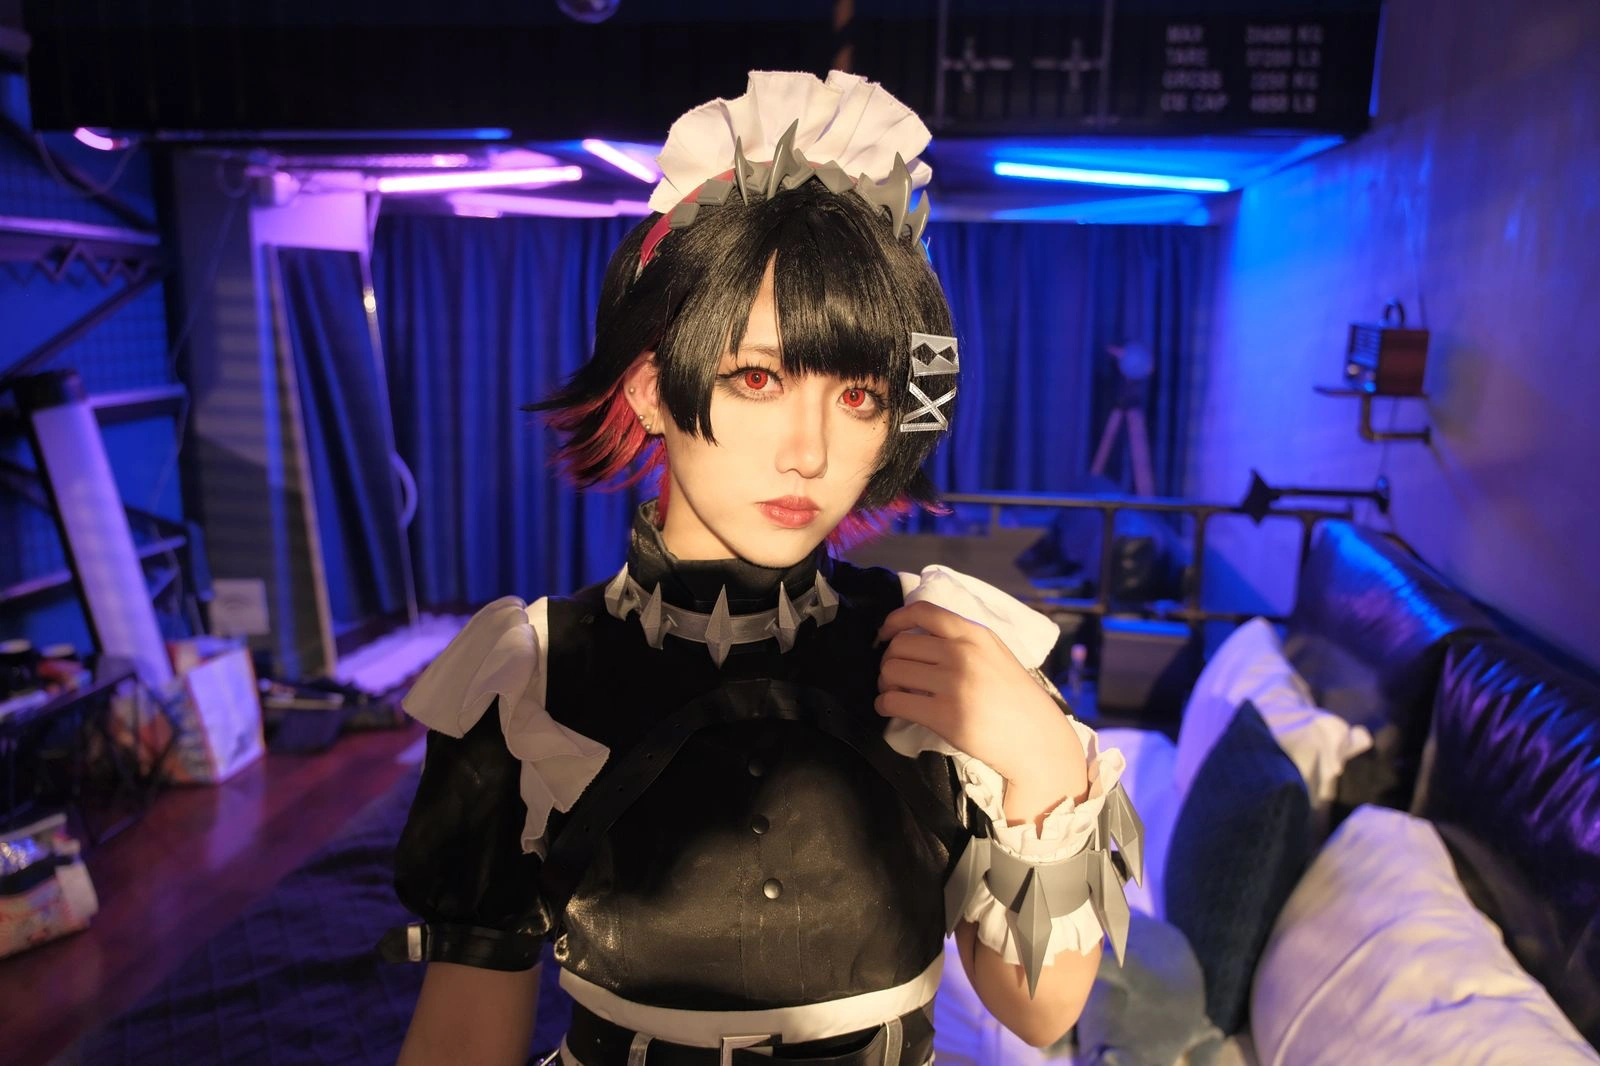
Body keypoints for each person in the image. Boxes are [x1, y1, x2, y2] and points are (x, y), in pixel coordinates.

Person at [381, 71, 1141, 1066]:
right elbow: (461, 1040)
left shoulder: (941, 650)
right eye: (756, 377)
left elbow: (1040, 1015)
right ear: (651, 390)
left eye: (860, 398)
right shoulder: (528, 678)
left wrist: (1043, 764)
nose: (810, 453)